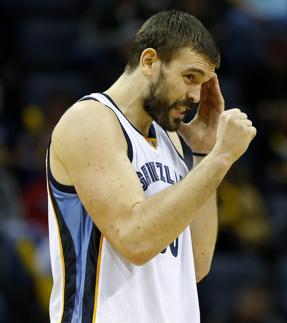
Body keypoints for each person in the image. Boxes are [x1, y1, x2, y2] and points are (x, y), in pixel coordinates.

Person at [47, 10, 256, 323]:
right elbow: (135, 238)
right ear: (148, 61)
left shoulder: (168, 136)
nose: (196, 96)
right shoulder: (90, 121)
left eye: (202, 84)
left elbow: (196, 263)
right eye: (190, 77)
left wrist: (202, 152)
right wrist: (221, 157)